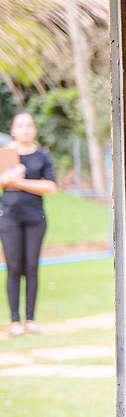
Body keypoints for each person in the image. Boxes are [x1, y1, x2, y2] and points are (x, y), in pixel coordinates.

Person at [0, 113, 57, 338]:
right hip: (9, 218)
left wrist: (20, 182)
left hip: (35, 219)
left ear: (34, 130)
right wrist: (10, 179)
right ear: (13, 129)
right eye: (20, 125)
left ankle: (30, 319)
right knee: (13, 267)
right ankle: (15, 320)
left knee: (31, 267)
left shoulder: (42, 156)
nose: (24, 129)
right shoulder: (6, 153)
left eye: (28, 125)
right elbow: (3, 182)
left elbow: (51, 187)